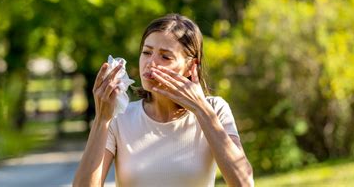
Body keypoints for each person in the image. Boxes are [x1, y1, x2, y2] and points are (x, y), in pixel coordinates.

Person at [73, 14, 254, 187]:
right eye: (146, 52)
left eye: (165, 56)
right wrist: (101, 120)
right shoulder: (120, 117)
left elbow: (244, 183)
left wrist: (202, 110)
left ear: (191, 67)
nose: (150, 63)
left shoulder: (215, 110)